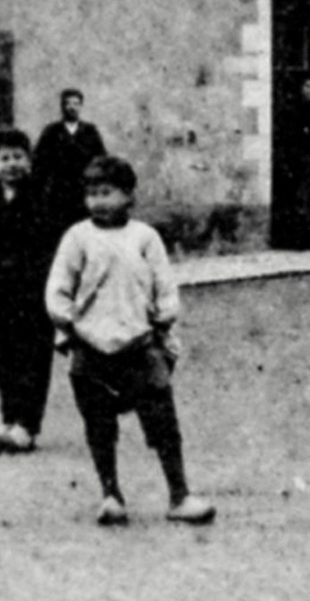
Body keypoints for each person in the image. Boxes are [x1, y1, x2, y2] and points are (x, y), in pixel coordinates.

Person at [45, 155, 213, 527]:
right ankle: (111, 494)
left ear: (128, 195)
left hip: (139, 342)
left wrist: (163, 319)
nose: (99, 201)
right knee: (99, 423)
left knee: (161, 417)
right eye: (91, 194)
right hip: (91, 346)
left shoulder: (144, 237)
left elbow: (164, 285)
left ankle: (179, 494)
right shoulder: (78, 238)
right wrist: (71, 324)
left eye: (107, 192)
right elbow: (57, 290)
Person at [0, 127, 64, 453]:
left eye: (18, 157)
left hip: (34, 292)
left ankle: (27, 424)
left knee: (34, 358)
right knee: (5, 357)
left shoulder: (42, 198)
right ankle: (9, 417)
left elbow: (52, 247)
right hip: (0, 294)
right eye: (4, 158)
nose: (12, 164)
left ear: (30, 161)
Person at [33, 89, 106, 226]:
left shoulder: (90, 131)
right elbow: (40, 161)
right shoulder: (52, 131)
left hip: (83, 187)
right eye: (68, 104)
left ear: (80, 106)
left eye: (76, 104)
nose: (72, 107)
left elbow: (100, 159)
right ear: (62, 106)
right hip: (58, 190)